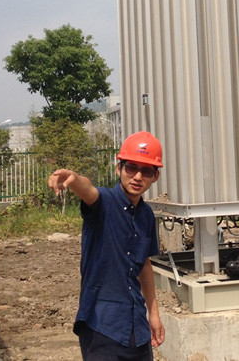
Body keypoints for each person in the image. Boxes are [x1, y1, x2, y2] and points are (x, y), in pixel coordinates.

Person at [48, 130, 166, 361]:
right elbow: (88, 190)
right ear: (119, 168)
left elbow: (144, 265)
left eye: (146, 171)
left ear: (155, 177)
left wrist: (153, 314)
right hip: (102, 326)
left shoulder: (146, 215)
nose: (138, 176)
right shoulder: (104, 203)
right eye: (131, 167)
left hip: (137, 328)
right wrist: (72, 178)